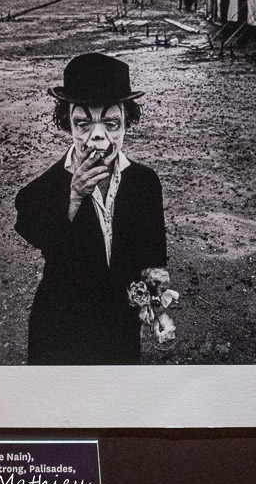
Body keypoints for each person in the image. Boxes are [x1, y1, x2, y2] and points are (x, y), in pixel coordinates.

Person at [15, 53, 168, 365]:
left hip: (120, 330)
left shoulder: (145, 183)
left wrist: (155, 306)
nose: (97, 136)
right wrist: (73, 196)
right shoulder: (41, 191)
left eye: (111, 123)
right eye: (83, 123)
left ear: (126, 123)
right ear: (68, 124)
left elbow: (152, 257)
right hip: (60, 331)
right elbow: (35, 230)